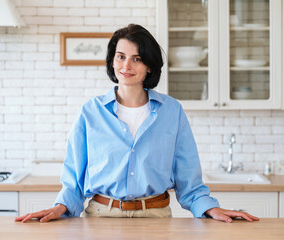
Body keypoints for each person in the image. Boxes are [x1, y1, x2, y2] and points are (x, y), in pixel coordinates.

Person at [15, 24, 259, 223]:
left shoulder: (172, 111)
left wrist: (210, 209)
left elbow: (189, 181)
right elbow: (74, 181)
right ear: (112, 61)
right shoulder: (91, 112)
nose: (126, 66)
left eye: (137, 58)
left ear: (149, 66)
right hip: (101, 217)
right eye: (120, 57)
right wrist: (59, 208)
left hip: (156, 216)